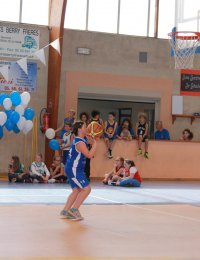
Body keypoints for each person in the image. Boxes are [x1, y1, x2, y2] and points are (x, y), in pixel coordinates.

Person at [60, 121, 97, 221]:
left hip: (72, 168)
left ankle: (65, 211)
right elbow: (89, 155)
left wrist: (91, 140)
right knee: (87, 189)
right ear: (80, 129)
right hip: (74, 169)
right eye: (85, 127)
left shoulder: (79, 139)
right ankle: (74, 210)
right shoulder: (80, 142)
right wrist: (95, 144)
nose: (87, 129)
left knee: (76, 190)